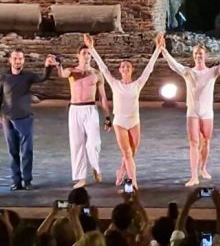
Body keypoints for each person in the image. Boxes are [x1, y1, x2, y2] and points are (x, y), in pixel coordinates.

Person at [160, 33, 220, 186]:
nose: (198, 56)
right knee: (193, 142)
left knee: (205, 141)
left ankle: (203, 168)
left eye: (200, 53)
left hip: (207, 113)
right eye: (196, 54)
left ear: (205, 55)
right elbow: (173, 65)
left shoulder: (211, 72)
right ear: (193, 56)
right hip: (192, 112)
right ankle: (194, 176)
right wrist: (164, 51)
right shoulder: (188, 72)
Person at [84, 33, 162, 189]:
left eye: (128, 66)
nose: (125, 68)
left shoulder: (138, 84)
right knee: (127, 153)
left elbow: (149, 68)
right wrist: (91, 49)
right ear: (120, 70)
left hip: (134, 121)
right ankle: (133, 182)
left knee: (132, 153)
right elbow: (103, 68)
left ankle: (120, 171)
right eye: (123, 66)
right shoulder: (114, 83)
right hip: (120, 122)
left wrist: (158, 49)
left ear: (131, 70)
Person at [0, 49, 57, 190]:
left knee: (26, 151)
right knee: (13, 152)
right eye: (15, 58)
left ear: (23, 60)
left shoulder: (28, 76)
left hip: (24, 118)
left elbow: (42, 78)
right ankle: (16, 182)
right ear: (10, 60)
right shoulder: (4, 77)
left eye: (20, 58)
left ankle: (27, 181)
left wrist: (48, 66)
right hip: (7, 119)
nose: (18, 61)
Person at [56, 45, 111, 188]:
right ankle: (81, 177)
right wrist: (58, 63)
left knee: (93, 143)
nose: (86, 56)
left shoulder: (97, 74)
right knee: (77, 144)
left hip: (90, 109)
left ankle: (95, 167)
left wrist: (107, 117)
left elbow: (103, 97)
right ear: (78, 55)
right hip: (75, 109)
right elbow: (62, 74)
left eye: (89, 53)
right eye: (84, 53)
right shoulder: (72, 72)